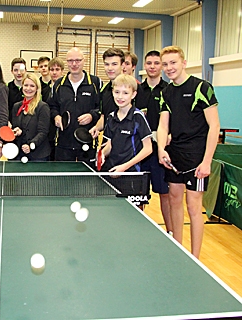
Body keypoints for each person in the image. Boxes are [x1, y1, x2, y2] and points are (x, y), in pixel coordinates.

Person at [158, 45, 220, 258]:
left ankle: (195, 258)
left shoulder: (202, 88)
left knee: (194, 206)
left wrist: (207, 161)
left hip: (197, 157)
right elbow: (163, 125)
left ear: (184, 63)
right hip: (175, 154)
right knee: (174, 200)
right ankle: (178, 250)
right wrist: (160, 150)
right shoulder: (166, 92)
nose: (169, 68)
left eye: (173, 63)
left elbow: (214, 126)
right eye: (165, 64)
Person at [135, 50, 171, 233]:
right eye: (149, 63)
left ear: (161, 66)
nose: (152, 66)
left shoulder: (169, 90)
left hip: (159, 150)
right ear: (144, 66)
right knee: (138, 194)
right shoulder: (137, 91)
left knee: (164, 193)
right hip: (139, 151)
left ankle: (170, 232)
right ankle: (137, 230)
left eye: (156, 63)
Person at [49, 47, 101, 162]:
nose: (74, 64)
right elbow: (52, 107)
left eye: (78, 60)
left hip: (87, 141)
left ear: (84, 61)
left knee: (87, 179)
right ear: (66, 62)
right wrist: (56, 117)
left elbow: (102, 108)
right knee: (63, 179)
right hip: (63, 143)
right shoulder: (58, 84)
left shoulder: (95, 83)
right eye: (70, 61)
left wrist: (92, 115)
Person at [100, 74, 152, 172]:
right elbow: (110, 144)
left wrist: (124, 167)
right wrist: (102, 153)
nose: (120, 97)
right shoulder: (111, 117)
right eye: (117, 92)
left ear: (133, 94)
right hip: (112, 170)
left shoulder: (138, 116)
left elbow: (148, 148)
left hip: (131, 172)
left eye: (125, 93)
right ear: (112, 92)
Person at [11, 73, 51, 161]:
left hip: (38, 154)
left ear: (37, 89)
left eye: (32, 86)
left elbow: (43, 132)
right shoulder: (16, 106)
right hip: (19, 153)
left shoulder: (43, 107)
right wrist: (17, 131)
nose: (28, 88)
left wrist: (31, 144)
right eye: (26, 85)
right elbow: (15, 126)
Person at [90, 48, 125, 139]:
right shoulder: (104, 90)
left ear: (123, 65)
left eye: (114, 64)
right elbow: (103, 116)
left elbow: (141, 120)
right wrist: (96, 128)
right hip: (108, 142)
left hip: (128, 146)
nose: (110, 68)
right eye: (107, 64)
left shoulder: (134, 88)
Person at [45, 57, 65, 160]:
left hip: (62, 129)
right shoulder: (44, 90)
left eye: (57, 69)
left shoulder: (66, 89)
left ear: (62, 71)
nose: (54, 72)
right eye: (52, 70)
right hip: (47, 131)